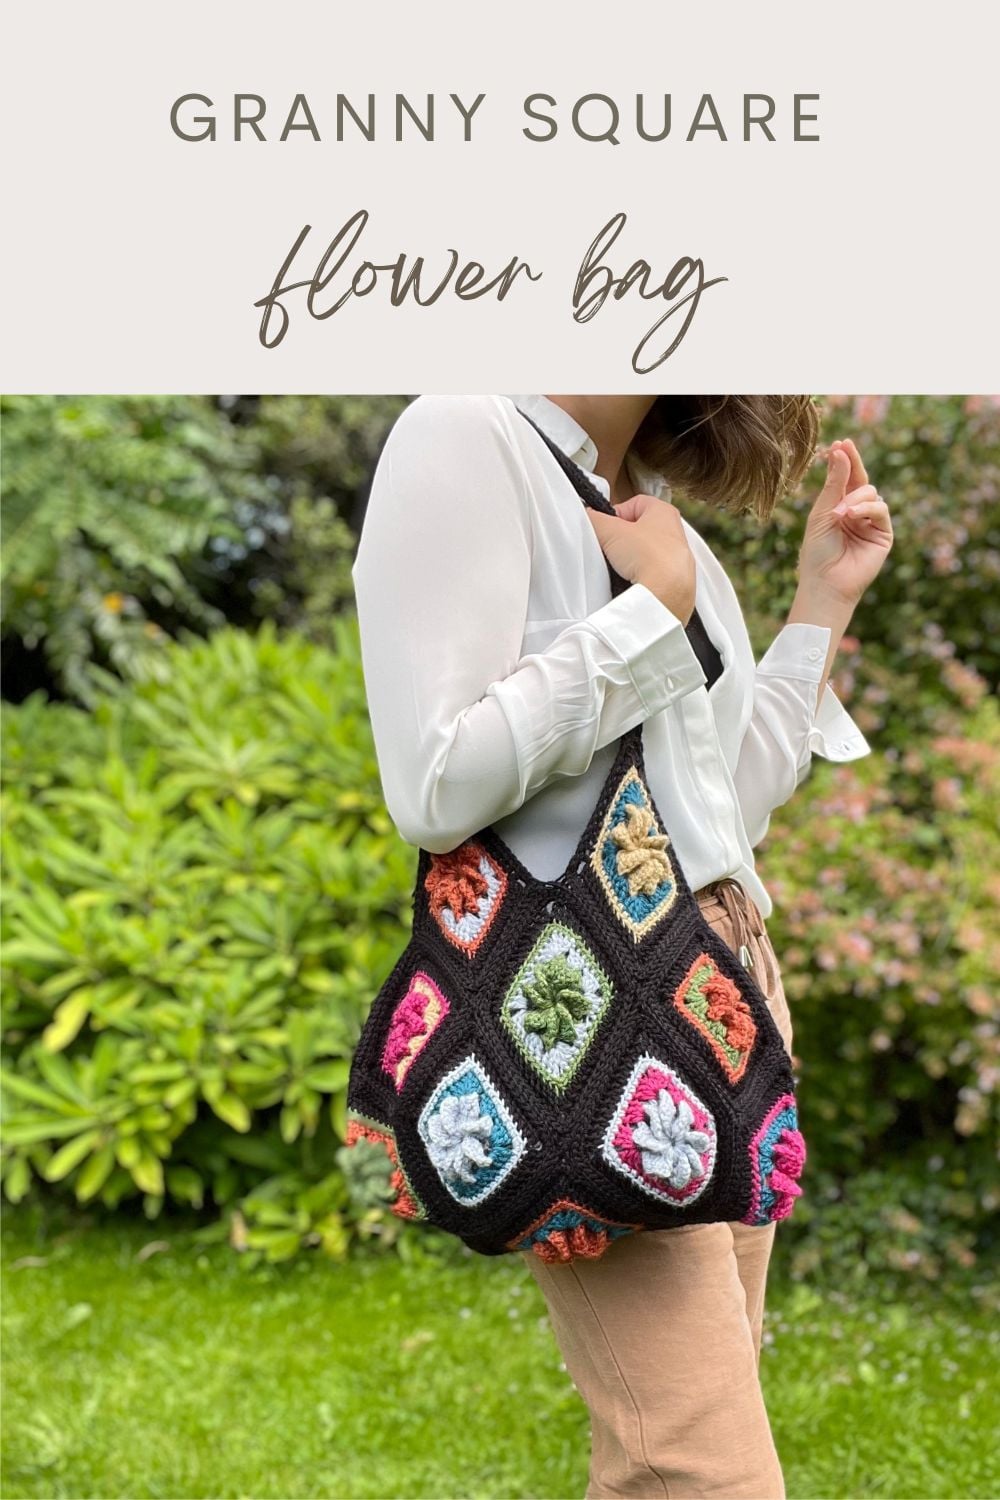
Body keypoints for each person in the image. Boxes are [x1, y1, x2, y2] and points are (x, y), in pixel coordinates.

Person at [352, 393, 894, 1500]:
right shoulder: (464, 435)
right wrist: (651, 611)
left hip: (720, 989)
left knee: (689, 1440)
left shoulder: (654, 526)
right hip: (584, 1006)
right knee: (701, 1468)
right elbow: (434, 781)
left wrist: (816, 606)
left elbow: (720, 812)